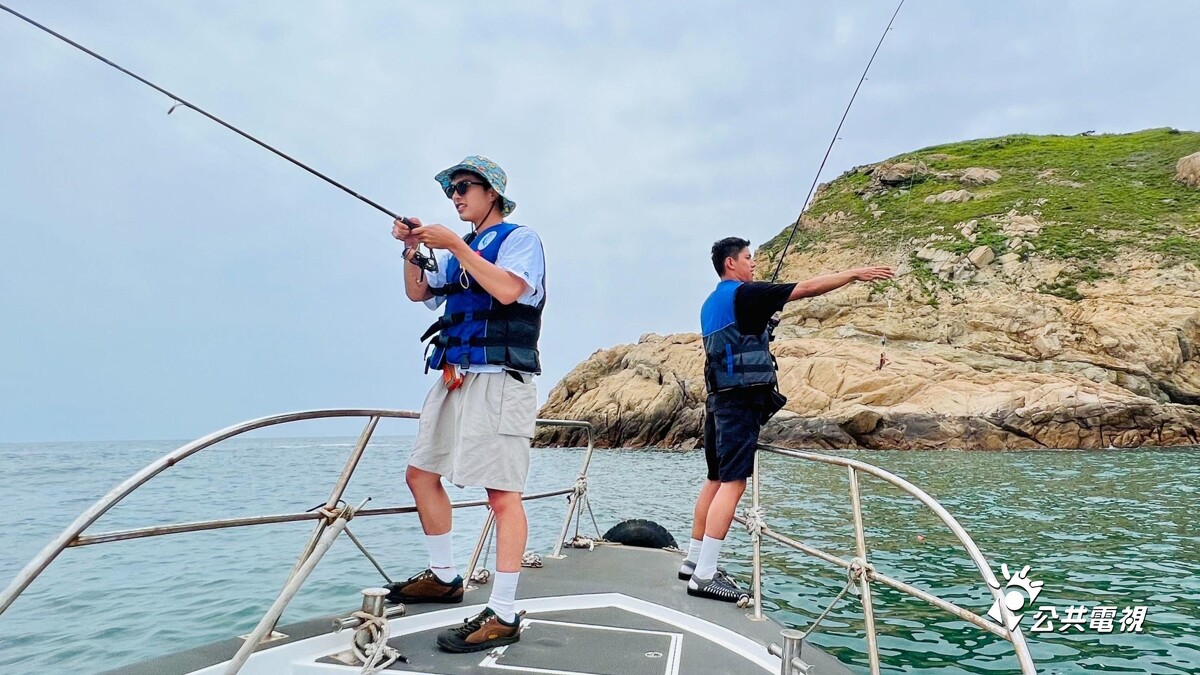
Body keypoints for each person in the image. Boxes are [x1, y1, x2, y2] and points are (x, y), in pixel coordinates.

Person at [388, 155, 546, 652]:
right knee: (420, 473)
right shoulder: (458, 253)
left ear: (491, 192)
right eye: (451, 189)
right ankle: (444, 576)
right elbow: (419, 294)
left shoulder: (520, 240)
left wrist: (454, 243)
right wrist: (413, 250)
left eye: (464, 187)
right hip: (455, 378)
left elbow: (507, 289)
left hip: (500, 379)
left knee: (502, 494)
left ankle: (503, 610)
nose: (456, 196)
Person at [681, 237, 893, 602]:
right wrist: (854, 274)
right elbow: (808, 288)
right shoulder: (746, 294)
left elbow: (737, 339)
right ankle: (703, 575)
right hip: (739, 403)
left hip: (718, 399)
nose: (753, 265)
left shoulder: (710, 303)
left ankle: (693, 560)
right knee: (734, 483)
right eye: (748, 258)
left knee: (715, 479)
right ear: (731, 263)